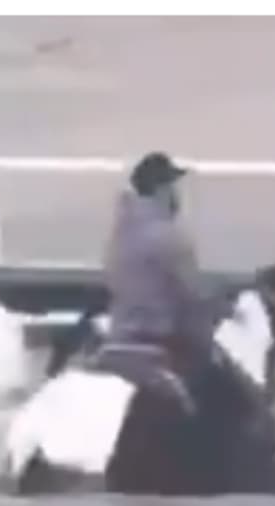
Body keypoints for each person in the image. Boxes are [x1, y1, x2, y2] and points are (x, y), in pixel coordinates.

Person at [103, 151, 219, 415]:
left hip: (121, 333)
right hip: (161, 339)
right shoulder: (169, 237)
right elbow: (193, 293)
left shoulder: (121, 232)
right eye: (172, 186)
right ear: (161, 189)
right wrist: (220, 307)